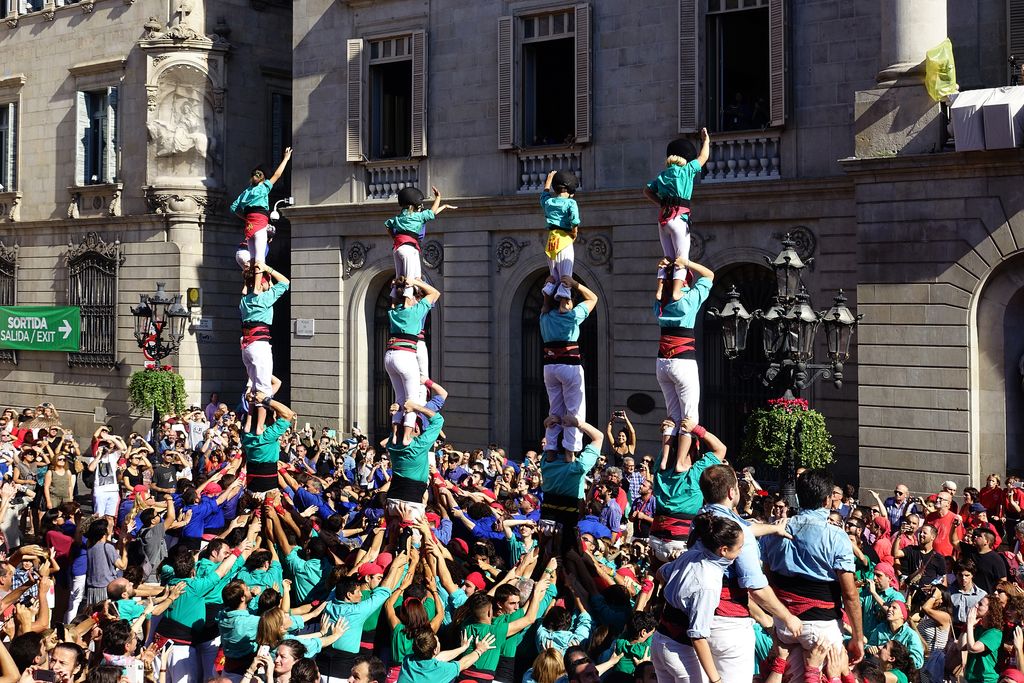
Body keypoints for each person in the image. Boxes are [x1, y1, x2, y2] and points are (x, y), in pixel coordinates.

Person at [697, 463, 802, 681]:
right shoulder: (738, 533)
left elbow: (744, 527)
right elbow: (756, 588)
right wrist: (787, 617)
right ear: (731, 492)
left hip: (696, 618)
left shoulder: (702, 518)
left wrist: (774, 528)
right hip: (727, 624)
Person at [760, 469, 865, 678]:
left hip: (785, 626)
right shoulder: (836, 536)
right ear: (827, 500)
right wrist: (858, 638)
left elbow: (768, 578)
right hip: (821, 629)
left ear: (798, 497)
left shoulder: (774, 531)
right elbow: (850, 594)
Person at [650, 512, 743, 683]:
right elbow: (698, 636)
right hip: (680, 652)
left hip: (658, 642)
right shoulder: (709, 583)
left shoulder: (690, 556)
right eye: (739, 548)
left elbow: (660, 573)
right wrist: (716, 679)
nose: (741, 552)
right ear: (724, 550)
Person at [653, 258, 713, 472]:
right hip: (682, 362)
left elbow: (660, 291)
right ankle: (679, 462)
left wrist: (662, 279)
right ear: (686, 281)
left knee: (673, 415)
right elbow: (709, 275)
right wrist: (686, 262)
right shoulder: (689, 298)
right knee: (690, 417)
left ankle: (664, 459)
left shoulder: (661, 302)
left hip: (662, 362)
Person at [540, 277, 598, 461]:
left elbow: (546, 304)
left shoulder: (545, 317)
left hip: (550, 367)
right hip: (569, 366)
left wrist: (550, 290)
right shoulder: (573, 316)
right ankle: (570, 453)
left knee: (554, 410)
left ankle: (550, 450)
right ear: (569, 301)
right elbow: (593, 298)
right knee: (574, 410)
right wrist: (575, 284)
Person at [643, 130, 710, 280]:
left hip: (663, 220)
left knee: (668, 258)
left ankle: (660, 289)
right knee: (682, 259)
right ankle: (676, 290)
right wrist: (706, 141)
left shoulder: (663, 175)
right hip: (679, 218)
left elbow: (647, 191)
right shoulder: (687, 170)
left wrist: (661, 203)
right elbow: (703, 157)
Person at [385, 277, 441, 445]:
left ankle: (396, 434)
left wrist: (396, 286)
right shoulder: (415, 311)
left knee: (399, 397)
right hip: (405, 356)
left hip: (389, 357)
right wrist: (416, 282)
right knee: (412, 399)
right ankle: (406, 437)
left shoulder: (394, 311)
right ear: (411, 298)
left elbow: (394, 300)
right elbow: (435, 293)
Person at [240, 263, 290, 435]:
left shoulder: (244, 301)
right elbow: (285, 282)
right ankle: (259, 427)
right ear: (261, 284)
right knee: (263, 388)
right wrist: (267, 269)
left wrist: (254, 276)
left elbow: (247, 290)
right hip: (258, 345)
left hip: (247, 346)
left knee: (254, 385)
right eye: (268, 282)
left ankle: (249, 424)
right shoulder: (264, 299)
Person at [385, 186, 455, 299]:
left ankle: (394, 301)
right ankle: (409, 300)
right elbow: (432, 213)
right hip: (409, 249)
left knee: (399, 277)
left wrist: (394, 238)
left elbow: (388, 225)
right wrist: (438, 198)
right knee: (413, 278)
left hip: (397, 249)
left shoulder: (399, 218)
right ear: (415, 204)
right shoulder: (418, 217)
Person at [230, 147, 292, 270]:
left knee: (253, 259)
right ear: (264, 179)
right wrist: (286, 158)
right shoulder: (263, 187)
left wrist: (246, 218)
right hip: (260, 223)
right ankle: (257, 282)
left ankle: (250, 279)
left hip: (249, 226)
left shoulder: (245, 192)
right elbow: (277, 174)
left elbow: (233, 208)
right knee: (260, 259)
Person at [241, 393, 296, 495]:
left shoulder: (246, 434)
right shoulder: (268, 435)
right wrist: (266, 400)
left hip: (251, 487)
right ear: (269, 418)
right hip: (268, 489)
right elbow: (288, 414)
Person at [540, 170, 581, 304]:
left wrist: (549, 179)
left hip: (551, 241)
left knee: (554, 275)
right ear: (570, 189)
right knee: (566, 275)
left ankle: (546, 299)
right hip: (564, 240)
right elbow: (574, 221)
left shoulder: (549, 202)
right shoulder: (571, 203)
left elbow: (544, 194)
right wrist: (574, 233)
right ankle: (564, 303)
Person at [964, 596, 1004, 683]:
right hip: (971, 678)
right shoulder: (978, 628)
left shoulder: (995, 633)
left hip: (986, 680)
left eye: (980, 604)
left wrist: (970, 625)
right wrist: (967, 626)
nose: (976, 605)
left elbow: (973, 648)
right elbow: (961, 646)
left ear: (990, 611)